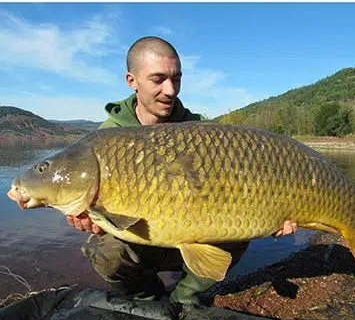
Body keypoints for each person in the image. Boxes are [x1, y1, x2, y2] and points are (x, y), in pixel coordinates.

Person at [67, 36, 298, 305]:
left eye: (176, 79)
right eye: (158, 79)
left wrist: (275, 212)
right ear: (132, 81)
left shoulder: (201, 131)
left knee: (240, 226)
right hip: (141, 240)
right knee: (103, 250)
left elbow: (245, 183)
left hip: (197, 234)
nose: (170, 90)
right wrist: (85, 215)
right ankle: (148, 299)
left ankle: (185, 299)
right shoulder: (105, 139)